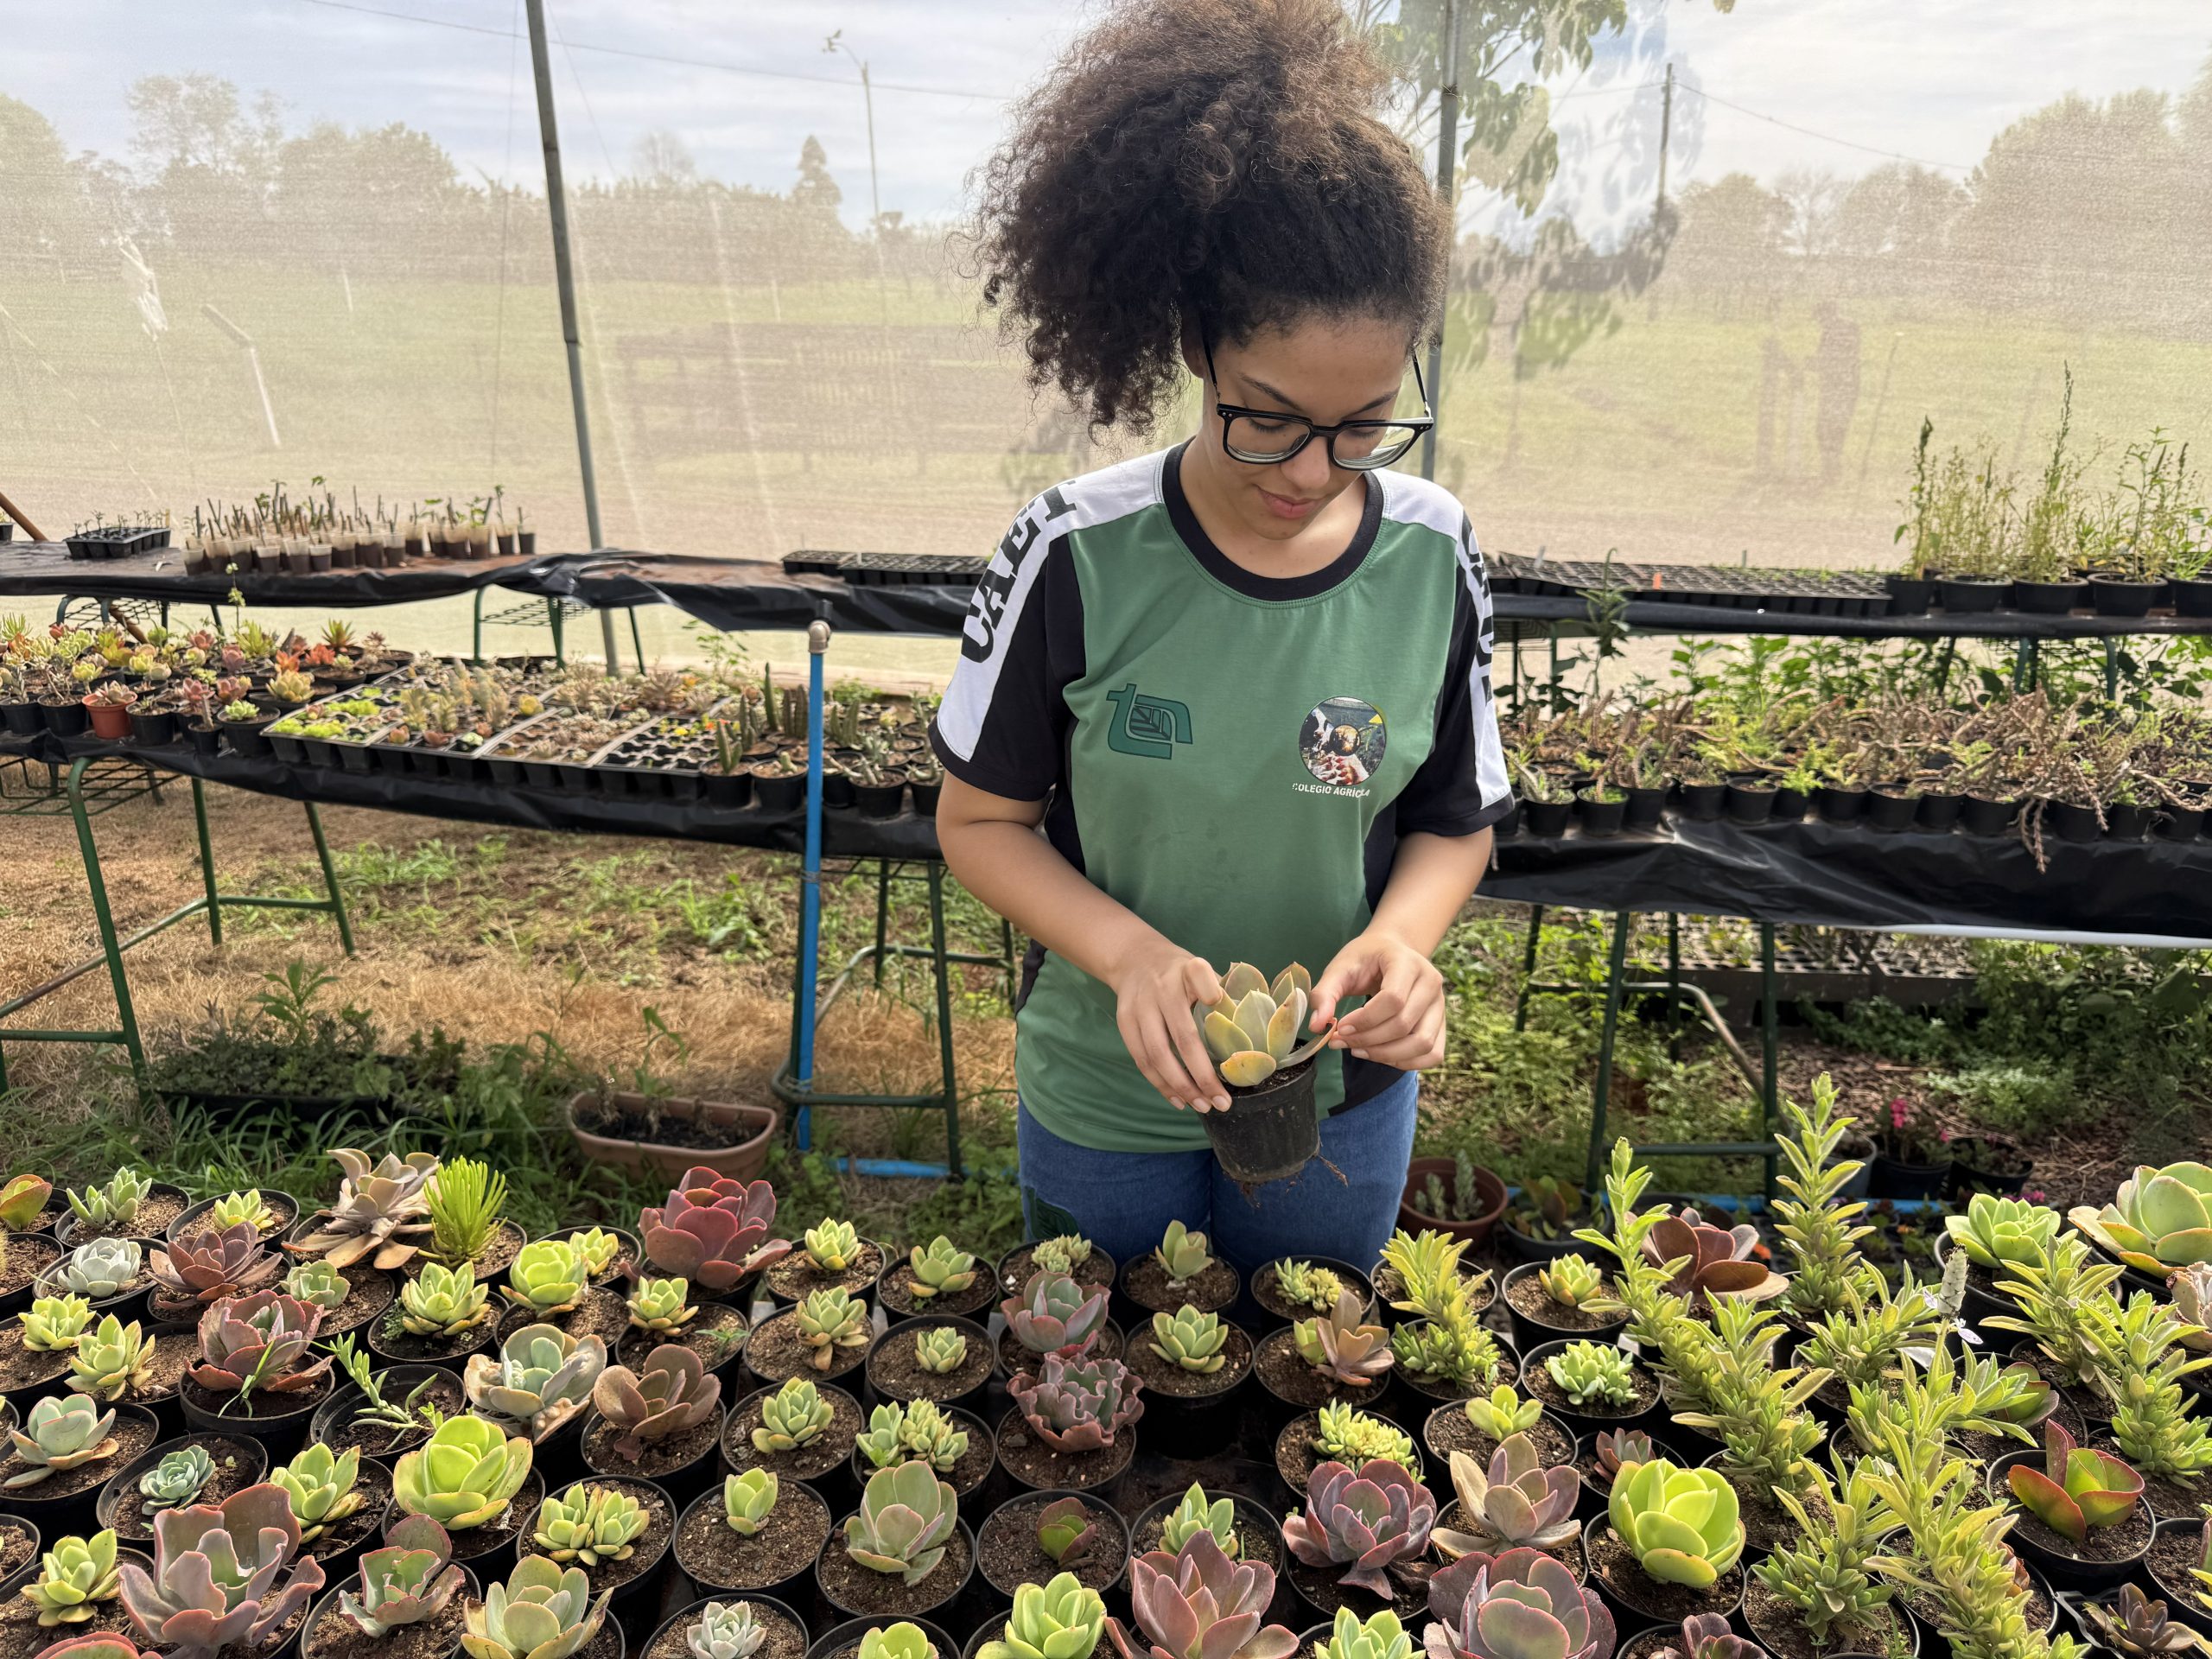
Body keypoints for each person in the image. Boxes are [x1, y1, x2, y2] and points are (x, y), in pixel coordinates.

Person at [930, 0, 1512, 1274]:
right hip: (1106, 1095)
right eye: (1268, 418)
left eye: (1364, 425)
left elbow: (1453, 819)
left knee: (1312, 1390)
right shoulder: (1076, 553)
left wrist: (1400, 945)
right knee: (1102, 1394)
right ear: (1196, 346)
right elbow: (978, 823)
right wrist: (1128, 956)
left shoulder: (1432, 554)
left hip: (1341, 1103)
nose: (1312, 470)